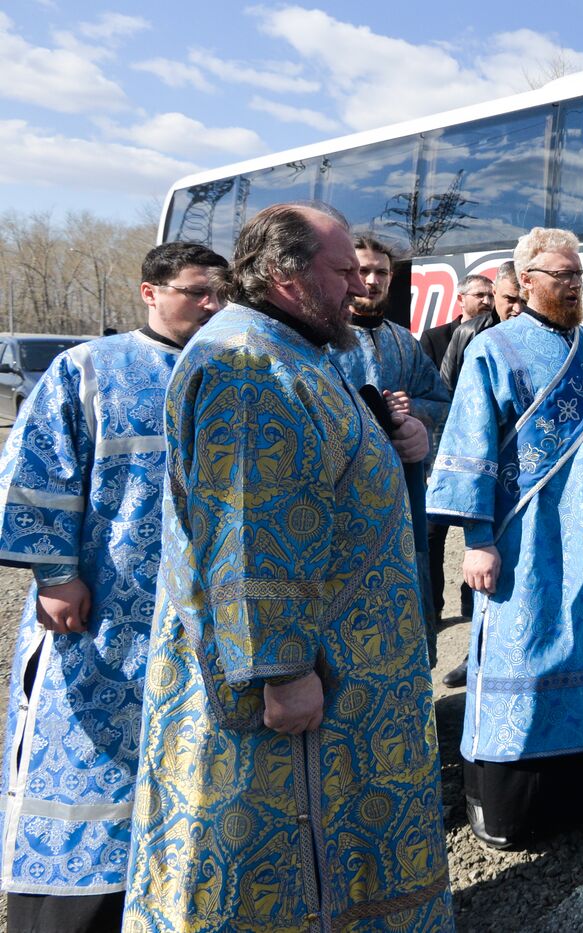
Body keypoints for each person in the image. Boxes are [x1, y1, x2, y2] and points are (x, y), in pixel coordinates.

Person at [123, 204, 453, 929]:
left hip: (339, 665)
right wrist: (282, 669)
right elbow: (247, 526)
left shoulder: (293, 349)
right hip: (296, 688)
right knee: (280, 874)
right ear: (284, 275)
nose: (357, 291)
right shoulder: (249, 364)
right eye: (340, 273)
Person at [0, 242, 226, 933]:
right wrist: (57, 574)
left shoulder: (228, 370)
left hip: (195, 620)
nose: (213, 305)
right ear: (149, 292)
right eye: (197, 292)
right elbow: (38, 471)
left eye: (222, 294)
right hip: (101, 617)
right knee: (88, 765)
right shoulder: (90, 368)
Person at [426, 227, 583, 849]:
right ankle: (513, 801)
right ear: (526, 282)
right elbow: (469, 446)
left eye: (578, 275)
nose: (572, 285)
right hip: (522, 532)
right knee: (524, 647)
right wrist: (479, 539)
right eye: (561, 275)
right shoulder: (494, 349)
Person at [328, 235, 450, 663]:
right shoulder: (324, 341)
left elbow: (442, 402)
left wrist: (412, 410)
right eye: (363, 271)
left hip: (403, 490)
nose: (372, 280)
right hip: (345, 497)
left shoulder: (404, 341)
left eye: (381, 272)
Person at [437, 264, 519, 688]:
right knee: (477, 558)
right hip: (476, 465)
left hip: (519, 480)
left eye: (520, 299)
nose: (513, 308)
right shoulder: (472, 336)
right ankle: (474, 652)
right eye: (506, 300)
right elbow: (446, 392)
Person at [421, 273, 495, 628]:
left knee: (476, 532)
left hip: (478, 453)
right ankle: (433, 608)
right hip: (440, 448)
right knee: (433, 534)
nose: (486, 301)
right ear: (460, 298)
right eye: (479, 294)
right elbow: (431, 390)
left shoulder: (493, 335)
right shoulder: (436, 338)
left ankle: (471, 605)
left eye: (489, 294)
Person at [440, 262, 521, 393]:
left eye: (524, 300)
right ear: (495, 292)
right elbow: (445, 390)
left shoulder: (548, 331)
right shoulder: (467, 332)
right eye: (510, 299)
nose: (518, 309)